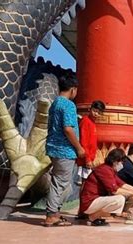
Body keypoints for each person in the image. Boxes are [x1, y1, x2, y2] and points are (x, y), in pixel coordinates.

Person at [43, 74, 85, 227]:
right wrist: (79, 148)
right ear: (73, 89)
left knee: (59, 182)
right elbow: (68, 129)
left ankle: (55, 212)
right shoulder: (68, 105)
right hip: (65, 150)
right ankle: (52, 214)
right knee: (60, 183)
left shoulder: (55, 103)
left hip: (54, 147)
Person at [79, 148, 133, 226]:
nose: (122, 164)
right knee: (119, 199)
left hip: (94, 200)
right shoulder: (104, 169)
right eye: (121, 162)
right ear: (115, 161)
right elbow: (114, 190)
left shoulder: (109, 169)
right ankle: (93, 217)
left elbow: (122, 184)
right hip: (89, 203)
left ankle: (100, 215)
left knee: (130, 194)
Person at [76, 100, 106, 185]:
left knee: (86, 182)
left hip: (89, 157)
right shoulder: (86, 121)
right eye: (95, 111)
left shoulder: (92, 123)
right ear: (90, 109)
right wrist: (87, 159)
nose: (96, 114)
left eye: (99, 113)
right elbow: (83, 141)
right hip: (85, 158)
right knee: (84, 182)